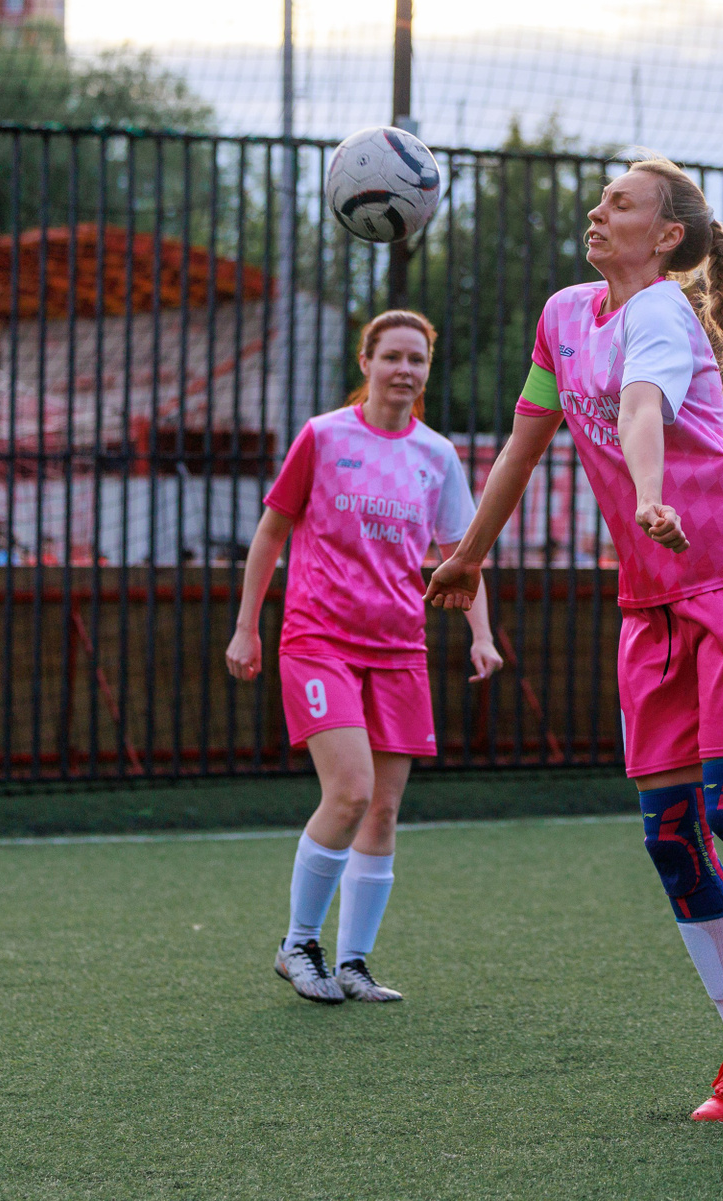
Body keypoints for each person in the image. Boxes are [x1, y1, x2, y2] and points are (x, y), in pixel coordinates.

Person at [424, 157, 723, 1120]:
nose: (597, 209)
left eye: (620, 202)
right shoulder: (563, 315)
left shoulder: (662, 312)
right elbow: (525, 440)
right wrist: (469, 556)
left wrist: (651, 495)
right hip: (650, 608)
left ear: (665, 236)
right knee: (669, 835)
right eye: (602, 198)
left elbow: (640, 409)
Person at [225, 310, 503, 1005]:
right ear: (366, 362)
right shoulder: (323, 436)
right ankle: (298, 944)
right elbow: (271, 532)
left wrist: (481, 634)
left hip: (399, 649)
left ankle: (353, 961)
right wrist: (246, 627)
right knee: (349, 791)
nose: (404, 369)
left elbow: (461, 558)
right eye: (392, 356)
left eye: (417, 359)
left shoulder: (436, 455)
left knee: (382, 810)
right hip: (319, 640)